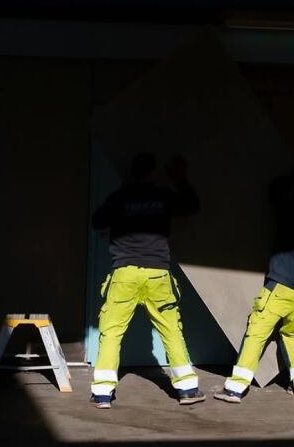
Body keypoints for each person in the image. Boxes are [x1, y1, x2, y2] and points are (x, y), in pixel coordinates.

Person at [214, 166, 294, 404]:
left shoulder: (292, 210)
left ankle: (235, 388)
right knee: (293, 336)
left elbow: (274, 189)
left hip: (280, 287)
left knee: (256, 334)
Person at [89, 152, 203, 408]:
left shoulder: (120, 197)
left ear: (131, 173)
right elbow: (192, 206)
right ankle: (187, 390)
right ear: (153, 173)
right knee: (171, 330)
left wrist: (122, 199)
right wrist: (180, 179)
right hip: (157, 274)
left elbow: (97, 221)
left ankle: (103, 395)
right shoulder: (162, 196)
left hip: (124, 274)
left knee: (111, 333)